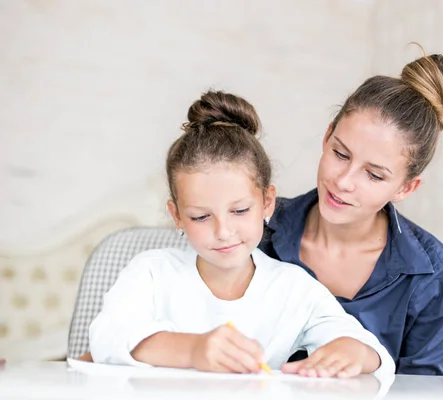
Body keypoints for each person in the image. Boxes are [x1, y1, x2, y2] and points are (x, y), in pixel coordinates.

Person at [88, 90, 395, 379]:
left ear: (267, 202)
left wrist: (355, 350)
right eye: (200, 216)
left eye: (239, 211)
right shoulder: (152, 273)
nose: (223, 232)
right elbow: (106, 339)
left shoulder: (293, 287)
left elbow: (372, 353)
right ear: (177, 216)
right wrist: (193, 350)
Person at [259, 51, 443, 375]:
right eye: (340, 154)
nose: (343, 182)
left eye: (374, 175)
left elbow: (424, 388)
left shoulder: (430, 270)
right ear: (327, 137)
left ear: (405, 188)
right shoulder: (258, 226)